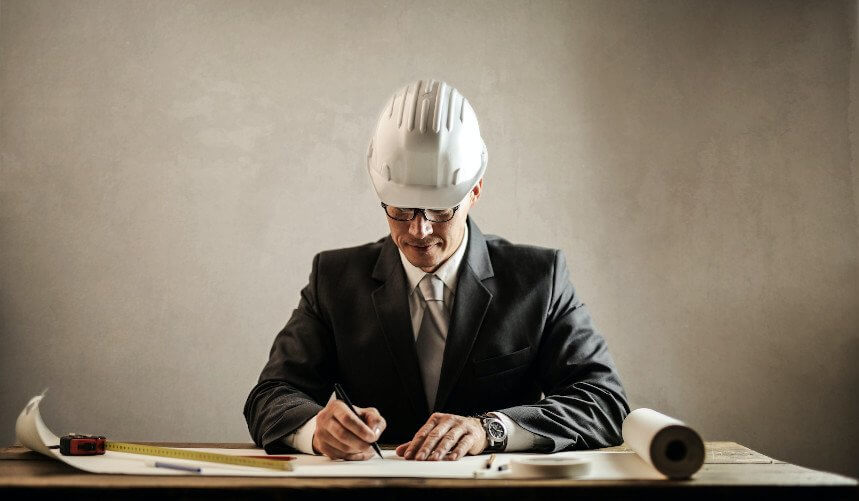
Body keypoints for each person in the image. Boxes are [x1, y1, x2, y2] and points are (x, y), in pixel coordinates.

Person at [244, 79, 629, 461]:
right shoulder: (334, 279)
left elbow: (605, 401)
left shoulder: (539, 279)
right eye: (400, 209)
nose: (419, 230)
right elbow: (270, 397)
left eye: (441, 210)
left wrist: (490, 430)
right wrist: (316, 431)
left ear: (474, 192)